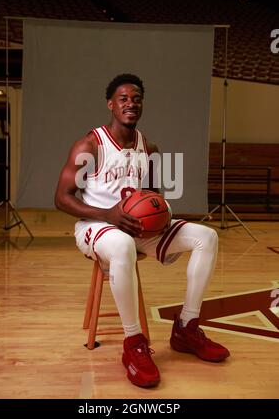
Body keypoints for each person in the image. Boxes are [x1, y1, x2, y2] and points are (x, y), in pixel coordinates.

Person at [55, 73, 230, 388]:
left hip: (135, 228)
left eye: (136, 99)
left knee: (207, 237)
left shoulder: (148, 146)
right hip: (96, 226)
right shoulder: (90, 144)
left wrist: (162, 215)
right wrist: (109, 214)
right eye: (123, 98)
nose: (130, 104)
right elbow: (61, 198)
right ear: (111, 104)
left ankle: (187, 328)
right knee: (121, 244)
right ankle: (134, 343)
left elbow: (151, 197)